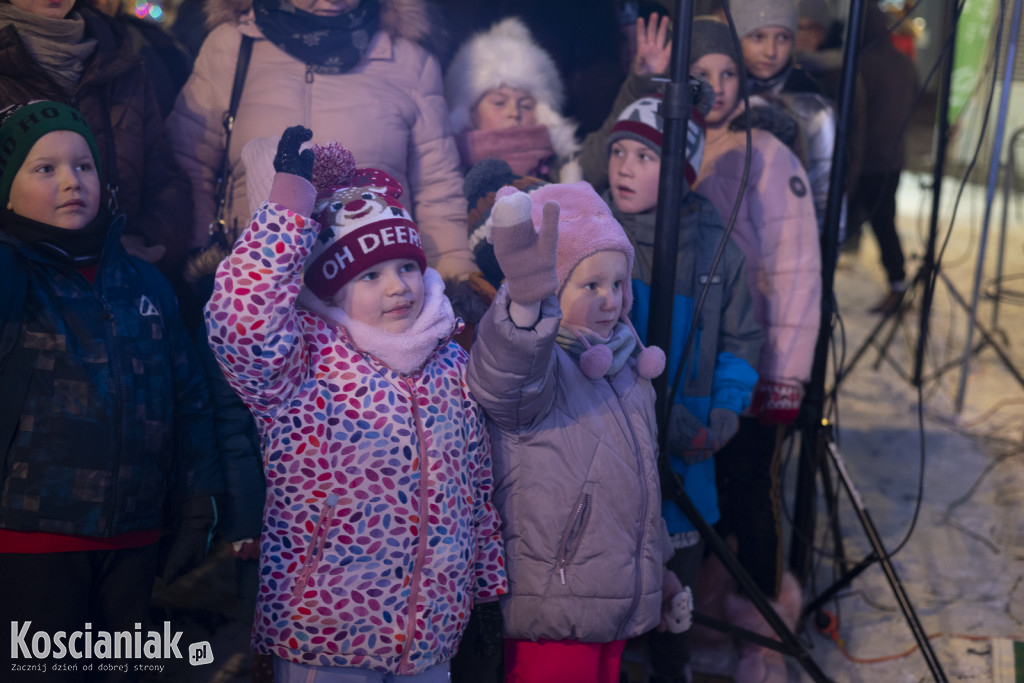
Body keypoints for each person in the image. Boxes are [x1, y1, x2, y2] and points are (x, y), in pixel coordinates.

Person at [204, 126, 508, 681]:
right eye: (370, 275)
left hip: (431, 634)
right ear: (333, 291)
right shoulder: (302, 365)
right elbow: (240, 322)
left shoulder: (449, 361)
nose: (398, 287)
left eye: (407, 267)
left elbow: (475, 490)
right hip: (325, 634)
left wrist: (485, 589)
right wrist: (287, 213)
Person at [0, 101, 221, 682]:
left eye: (85, 166)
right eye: (44, 169)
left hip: (134, 537)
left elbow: (190, 398)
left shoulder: (144, 280)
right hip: (31, 541)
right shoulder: (11, 275)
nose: (72, 180)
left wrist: (198, 502)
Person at [466, 181, 693, 683]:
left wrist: (662, 571)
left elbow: (640, 489)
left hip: (613, 598)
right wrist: (525, 306)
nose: (610, 300)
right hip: (554, 602)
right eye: (591, 285)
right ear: (551, 289)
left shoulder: (630, 368)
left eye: (618, 284)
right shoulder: (542, 368)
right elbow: (503, 379)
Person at [169, 0, 474, 316]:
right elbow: (189, 168)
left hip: (378, 308)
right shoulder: (232, 45)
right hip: (254, 300)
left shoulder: (409, 59)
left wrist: (456, 288)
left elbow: (437, 190)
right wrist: (199, 268)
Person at [603, 95, 764, 683]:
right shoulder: (598, 239)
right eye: (618, 151)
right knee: (616, 581)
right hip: (618, 447)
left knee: (678, 588)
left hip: (692, 448)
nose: (622, 166)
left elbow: (742, 338)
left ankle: (674, 669)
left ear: (682, 171)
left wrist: (723, 412)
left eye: (643, 156)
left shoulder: (718, 249)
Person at [689, 18, 821, 683]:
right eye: (702, 76)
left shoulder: (770, 154)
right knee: (698, 499)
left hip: (755, 361)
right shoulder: (673, 148)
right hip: (692, 367)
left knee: (748, 495)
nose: (715, 89)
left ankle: (762, 629)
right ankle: (706, 612)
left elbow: (798, 271)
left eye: (727, 76)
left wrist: (784, 376)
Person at [0, 0, 194, 281]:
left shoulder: (119, 57)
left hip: (119, 288)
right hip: (21, 298)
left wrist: (141, 244)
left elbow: (165, 179)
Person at [730, 0, 838, 235]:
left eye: (783, 38)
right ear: (737, 37)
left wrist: (821, 258)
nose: (771, 51)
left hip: (787, 241)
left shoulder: (811, 104)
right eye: (758, 37)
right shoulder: (721, 96)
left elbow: (825, 193)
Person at [847, 3, 918, 315]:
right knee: (883, 221)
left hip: (865, 159)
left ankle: (898, 285)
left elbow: (851, 117)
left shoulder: (860, 63)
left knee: (874, 223)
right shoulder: (904, 64)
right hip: (892, 158)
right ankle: (897, 282)